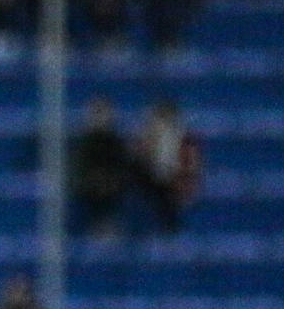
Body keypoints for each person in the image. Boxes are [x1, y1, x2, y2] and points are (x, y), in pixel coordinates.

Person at [134, 99, 203, 234]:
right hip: (146, 196)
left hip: (174, 196)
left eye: (167, 121)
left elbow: (191, 176)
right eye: (159, 120)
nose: (163, 126)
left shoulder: (187, 144)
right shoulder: (142, 144)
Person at [70, 96, 134, 239]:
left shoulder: (119, 146)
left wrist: (109, 184)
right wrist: (95, 183)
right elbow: (75, 177)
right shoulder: (80, 147)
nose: (100, 118)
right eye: (96, 113)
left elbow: (125, 174)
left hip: (114, 198)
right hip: (86, 200)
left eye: (103, 112)